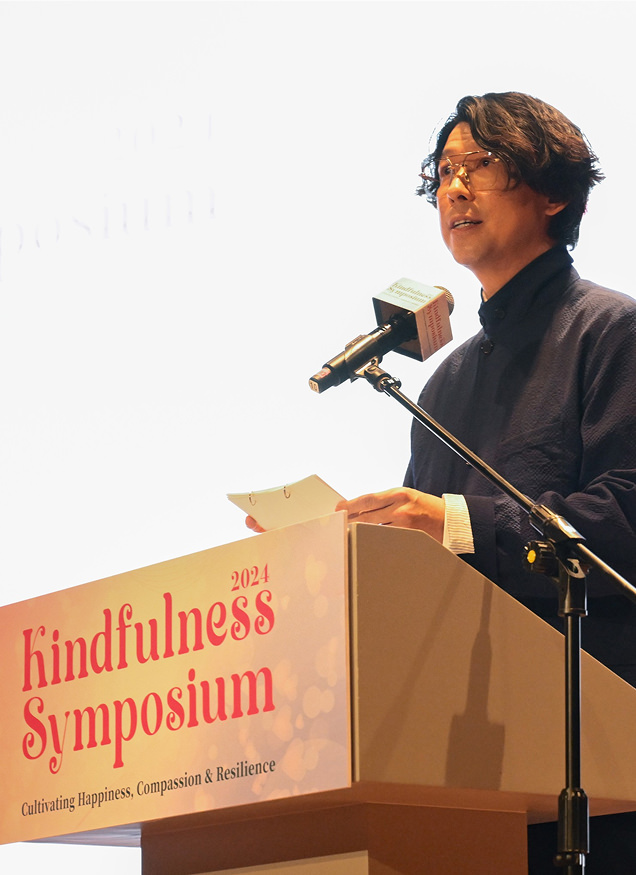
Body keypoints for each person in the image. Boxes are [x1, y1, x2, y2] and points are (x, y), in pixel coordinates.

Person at [246, 91, 636, 872]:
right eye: (445, 171)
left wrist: (452, 521)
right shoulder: (443, 386)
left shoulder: (612, 332)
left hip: (592, 757)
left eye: (481, 165)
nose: (454, 188)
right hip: (461, 762)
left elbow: (621, 517)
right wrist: (346, 550)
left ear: (554, 193)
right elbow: (422, 582)